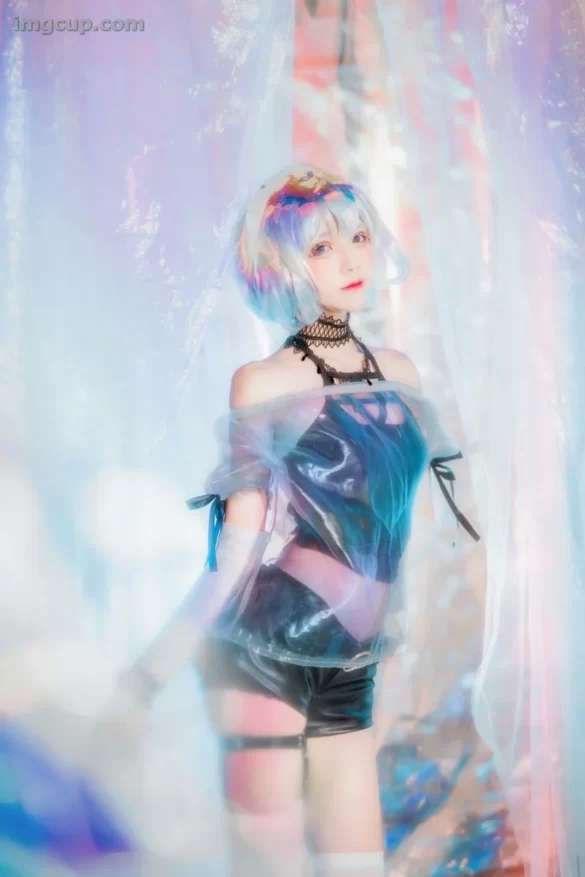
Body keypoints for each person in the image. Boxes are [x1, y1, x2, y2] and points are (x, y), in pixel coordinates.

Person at [116, 165, 479, 877]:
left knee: (357, 866)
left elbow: (394, 518)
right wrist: (150, 672)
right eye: (320, 247)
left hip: (351, 659)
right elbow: (239, 545)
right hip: (263, 654)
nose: (349, 258)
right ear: (284, 265)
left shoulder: (401, 373)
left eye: (359, 237)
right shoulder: (263, 381)